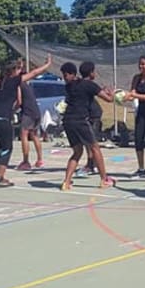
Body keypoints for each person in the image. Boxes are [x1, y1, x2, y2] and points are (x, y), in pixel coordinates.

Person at [0, 56, 52, 187]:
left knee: (1, 147)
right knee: (7, 147)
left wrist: (19, 65)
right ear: (13, 71)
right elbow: (34, 73)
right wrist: (47, 65)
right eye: (18, 69)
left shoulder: (0, 82)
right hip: (2, 118)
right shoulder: (13, 81)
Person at [60, 61, 116, 191]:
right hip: (80, 120)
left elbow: (78, 85)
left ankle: (66, 182)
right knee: (95, 148)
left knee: (77, 152)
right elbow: (108, 99)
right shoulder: (89, 85)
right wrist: (112, 93)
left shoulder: (70, 86)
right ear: (91, 73)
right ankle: (104, 180)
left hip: (67, 121)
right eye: (94, 71)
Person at [17, 59, 45, 170]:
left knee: (23, 134)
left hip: (28, 111)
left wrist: (12, 110)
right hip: (36, 111)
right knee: (34, 135)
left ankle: (25, 161)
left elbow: (19, 101)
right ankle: (40, 160)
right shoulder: (27, 85)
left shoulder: (18, 84)